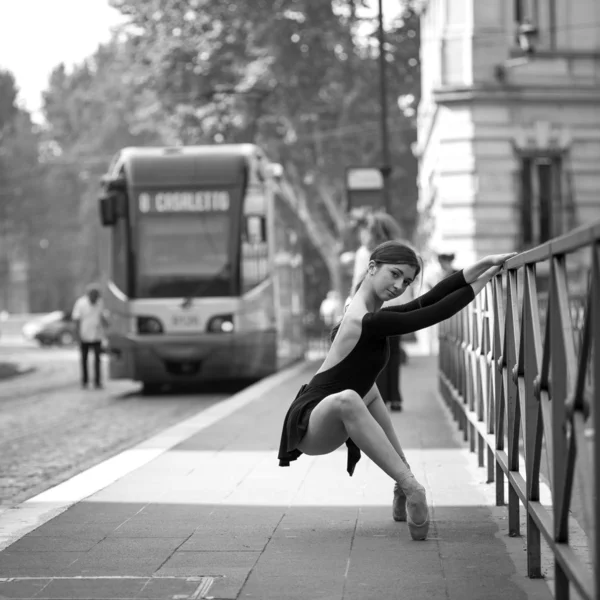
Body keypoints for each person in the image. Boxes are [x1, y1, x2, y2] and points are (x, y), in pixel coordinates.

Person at [278, 241, 515, 540]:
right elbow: (430, 313)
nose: (399, 285)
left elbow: (426, 301)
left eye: (406, 281)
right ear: (372, 267)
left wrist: (483, 265)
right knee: (351, 397)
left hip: (340, 406)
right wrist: (486, 280)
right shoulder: (361, 319)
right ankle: (411, 486)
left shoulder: (368, 313)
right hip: (311, 421)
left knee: (368, 391)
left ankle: (402, 480)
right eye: (394, 274)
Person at [349, 212, 410, 411]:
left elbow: (359, 281)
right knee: (393, 352)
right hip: (398, 305)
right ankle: (396, 397)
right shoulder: (400, 250)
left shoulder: (365, 253)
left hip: (376, 306)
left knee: (377, 352)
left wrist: (351, 304)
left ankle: (381, 397)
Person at [72, 283, 108, 390]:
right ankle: (85, 381)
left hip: (97, 335)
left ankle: (97, 381)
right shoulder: (81, 303)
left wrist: (107, 324)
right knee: (84, 359)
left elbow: (101, 316)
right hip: (84, 335)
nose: (95, 299)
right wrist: (77, 335)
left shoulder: (100, 303)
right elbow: (76, 319)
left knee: (97, 359)